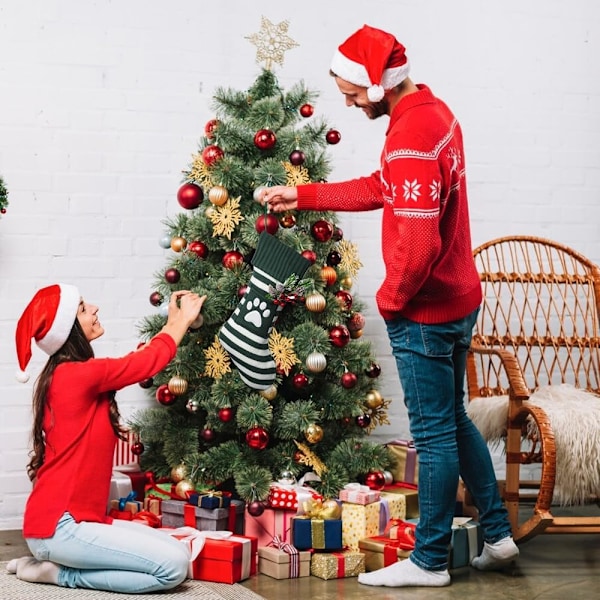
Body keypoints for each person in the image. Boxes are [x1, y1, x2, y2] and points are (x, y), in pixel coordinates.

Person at [263, 24, 519, 588]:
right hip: (459, 298)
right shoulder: (433, 114)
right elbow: (383, 187)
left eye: (352, 94)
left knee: (431, 437)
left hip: (426, 312)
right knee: (452, 418)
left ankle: (428, 562)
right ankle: (497, 535)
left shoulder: (408, 138)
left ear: (377, 85)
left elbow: (421, 242)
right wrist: (302, 194)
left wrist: (391, 300)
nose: (350, 104)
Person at [8, 283, 206, 593]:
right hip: (60, 528)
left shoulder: (71, 374)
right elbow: (143, 363)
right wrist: (178, 321)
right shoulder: (75, 375)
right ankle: (58, 574)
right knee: (172, 568)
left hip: (77, 523)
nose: (94, 308)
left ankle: (50, 563)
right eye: (83, 308)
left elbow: (132, 361)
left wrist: (171, 325)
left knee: (181, 553)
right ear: (68, 329)